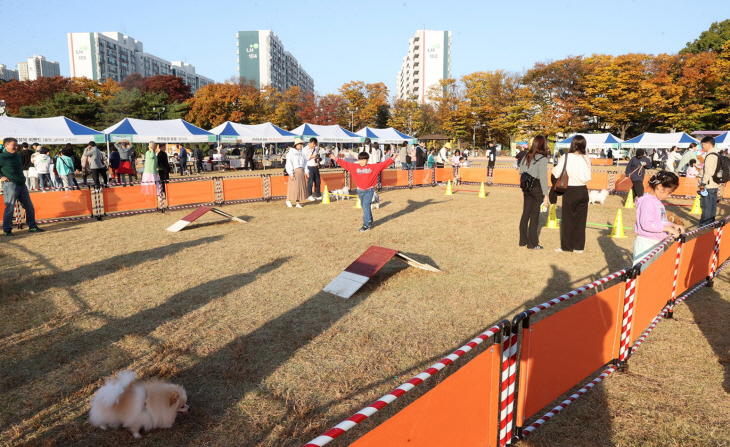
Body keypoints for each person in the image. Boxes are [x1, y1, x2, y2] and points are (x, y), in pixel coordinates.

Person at [334, 150, 396, 231]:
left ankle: (366, 225)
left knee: (366, 207)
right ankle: (370, 220)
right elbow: (344, 164)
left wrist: (392, 158)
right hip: (360, 191)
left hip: (369, 191)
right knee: (364, 207)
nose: (362, 161)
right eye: (360, 159)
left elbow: (383, 164)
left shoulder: (373, 167)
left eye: (364, 160)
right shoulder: (354, 167)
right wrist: (335, 158)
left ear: (367, 160)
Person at [633, 171, 683, 266]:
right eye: (669, 192)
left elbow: (661, 222)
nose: (669, 196)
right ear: (660, 187)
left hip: (657, 244)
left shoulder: (657, 202)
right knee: (643, 275)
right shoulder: (648, 202)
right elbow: (647, 225)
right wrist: (668, 229)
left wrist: (672, 225)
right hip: (646, 245)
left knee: (653, 273)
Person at [553, 135, 592, 253]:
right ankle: (579, 247)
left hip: (571, 190)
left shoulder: (566, 157)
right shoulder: (586, 158)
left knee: (568, 219)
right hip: (583, 190)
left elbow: (556, 172)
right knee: (581, 220)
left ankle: (566, 246)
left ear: (573, 144)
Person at [1, 138, 43, 236]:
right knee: (10, 208)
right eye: (13, 145)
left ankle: (32, 226)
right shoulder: (2, 157)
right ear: (6, 145)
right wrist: (1, 176)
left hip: (22, 184)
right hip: (10, 184)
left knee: (29, 206)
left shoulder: (17, 155)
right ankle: (7, 230)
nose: (16, 147)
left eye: (17, 145)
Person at [518, 136, 550, 250]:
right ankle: (532, 243)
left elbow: (521, 173)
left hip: (526, 188)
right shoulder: (543, 159)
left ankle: (522, 240)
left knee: (525, 213)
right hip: (537, 188)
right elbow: (543, 178)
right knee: (534, 216)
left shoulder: (526, 156)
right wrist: (546, 195)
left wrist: (523, 189)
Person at [698, 136, 720, 227]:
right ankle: (711, 222)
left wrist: (703, 184)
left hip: (708, 184)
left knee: (706, 205)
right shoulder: (716, 154)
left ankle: (705, 223)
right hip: (714, 184)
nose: (702, 147)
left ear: (708, 144)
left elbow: (708, 172)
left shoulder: (710, 156)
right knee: (712, 205)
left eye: (703, 144)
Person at [285, 138, 308, 208]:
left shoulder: (301, 153)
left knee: (300, 187)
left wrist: (306, 171)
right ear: (296, 144)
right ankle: (288, 200)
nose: (301, 145)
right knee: (293, 186)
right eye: (300, 144)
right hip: (295, 171)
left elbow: (305, 163)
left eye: (301, 144)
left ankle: (298, 202)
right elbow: (289, 163)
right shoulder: (291, 153)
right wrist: (291, 173)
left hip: (301, 171)